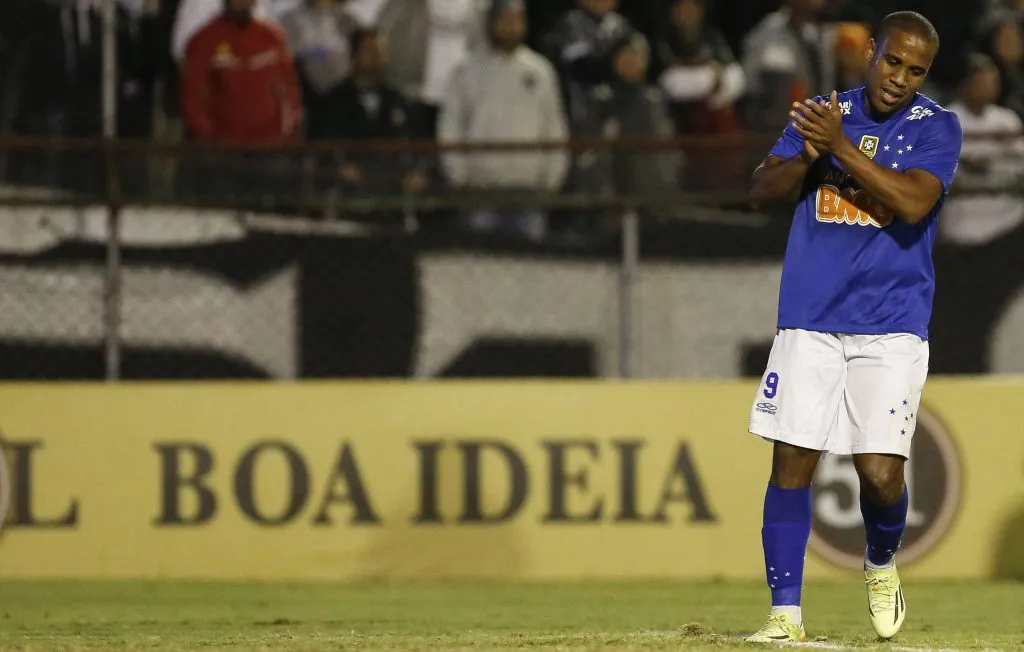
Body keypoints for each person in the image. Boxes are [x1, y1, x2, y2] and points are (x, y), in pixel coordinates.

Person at [745, 11, 963, 643]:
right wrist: (810, 151)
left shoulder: (938, 127)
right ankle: (784, 615)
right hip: (811, 313)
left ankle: (880, 559)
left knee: (880, 472)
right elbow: (762, 191)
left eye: (915, 70)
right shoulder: (821, 113)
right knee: (793, 461)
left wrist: (837, 149)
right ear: (871, 52)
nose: (899, 79)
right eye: (892, 61)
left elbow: (915, 201)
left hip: (892, 321)